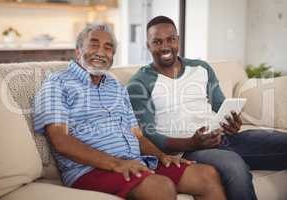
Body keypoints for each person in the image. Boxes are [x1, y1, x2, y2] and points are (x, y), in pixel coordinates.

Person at [33, 24, 226, 200]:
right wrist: (116, 164)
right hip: (89, 170)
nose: (101, 52)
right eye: (94, 44)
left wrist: (160, 155)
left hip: (135, 162)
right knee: (160, 187)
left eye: (108, 47)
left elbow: (136, 135)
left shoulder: (115, 86)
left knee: (206, 175)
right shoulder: (57, 83)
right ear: (78, 51)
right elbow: (61, 141)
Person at [127, 15, 287, 200]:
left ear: (178, 40)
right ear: (148, 45)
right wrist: (192, 143)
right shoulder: (139, 83)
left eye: (171, 39)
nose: (165, 46)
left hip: (223, 137)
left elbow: (221, 105)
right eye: (157, 41)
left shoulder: (201, 68)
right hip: (188, 148)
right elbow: (149, 134)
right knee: (234, 166)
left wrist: (233, 122)